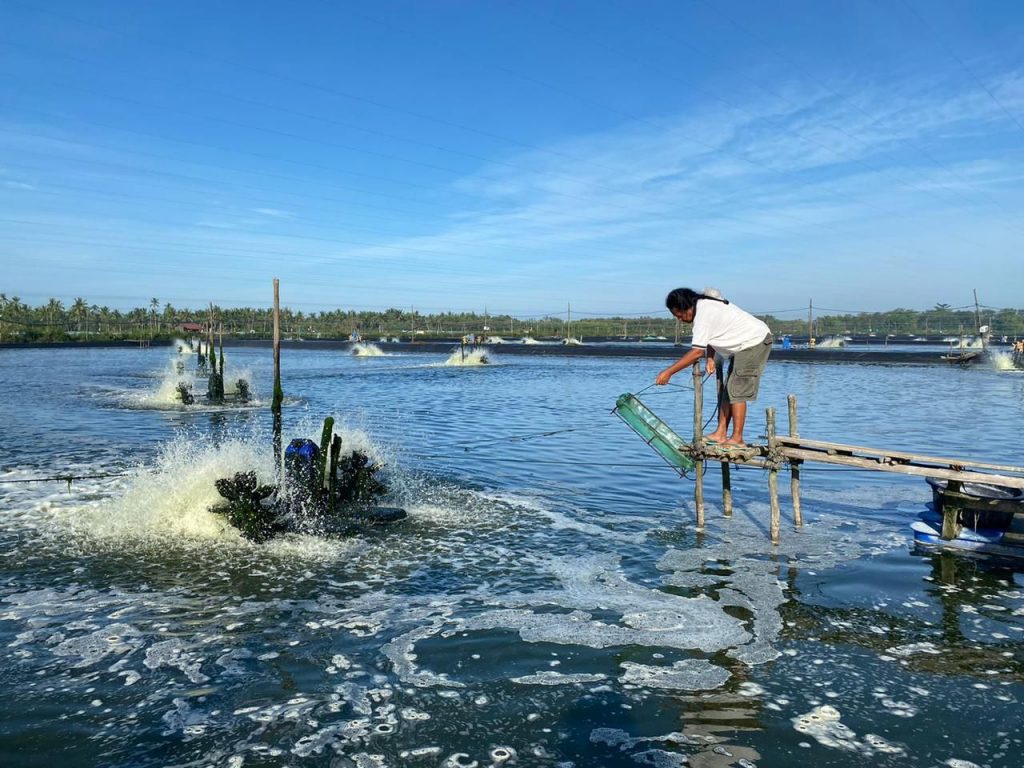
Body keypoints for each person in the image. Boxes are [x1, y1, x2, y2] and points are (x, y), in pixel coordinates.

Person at [656, 288, 772, 447]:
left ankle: (737, 439)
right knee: (728, 391)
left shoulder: (703, 315)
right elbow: (713, 334)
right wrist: (710, 357)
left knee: (737, 390)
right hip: (742, 345)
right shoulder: (703, 306)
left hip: (754, 341)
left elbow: (696, 352)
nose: (681, 319)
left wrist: (668, 372)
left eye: (679, 315)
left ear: (686, 307)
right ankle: (720, 433)